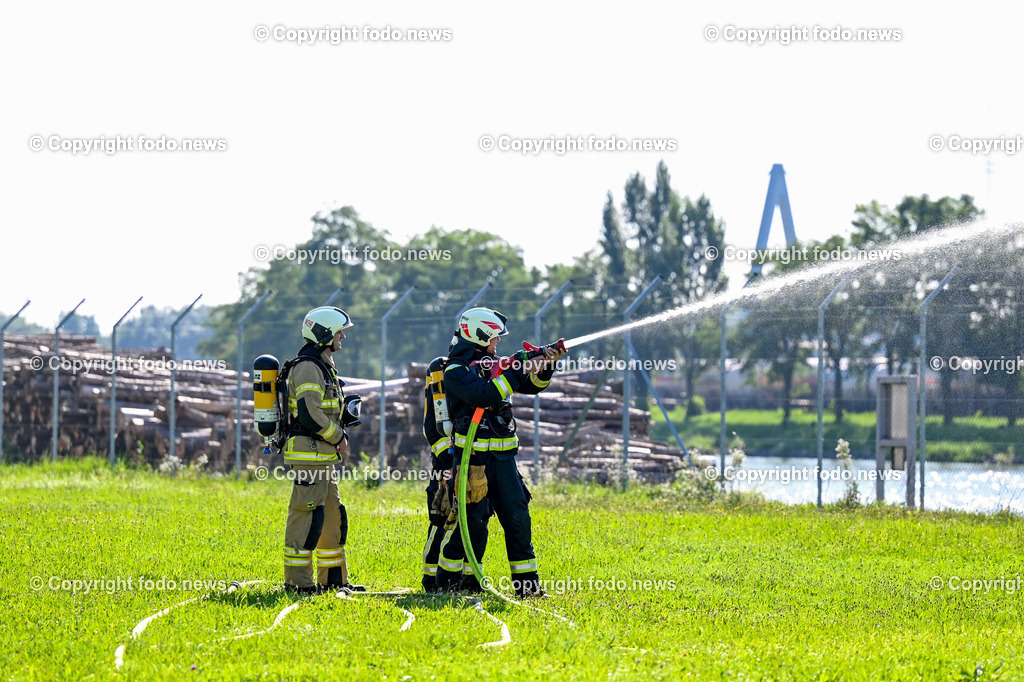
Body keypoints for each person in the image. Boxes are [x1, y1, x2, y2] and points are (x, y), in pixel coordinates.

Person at [434, 307, 564, 597]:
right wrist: (516, 369)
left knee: (518, 520)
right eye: (494, 339)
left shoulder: (494, 363)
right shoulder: (456, 371)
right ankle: (447, 585)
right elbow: (487, 394)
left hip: (504, 461)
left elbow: (533, 386)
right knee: (471, 524)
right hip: (473, 462)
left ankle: (528, 589)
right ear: (479, 337)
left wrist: (546, 364)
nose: (498, 344)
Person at [281, 306, 365, 595]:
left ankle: (332, 580)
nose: (343, 336)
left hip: (322, 455)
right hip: (310, 453)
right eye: (339, 331)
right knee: (307, 516)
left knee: (332, 516)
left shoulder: (322, 363)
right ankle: (298, 583)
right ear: (324, 334)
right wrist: (339, 436)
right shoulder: (308, 366)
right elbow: (308, 411)